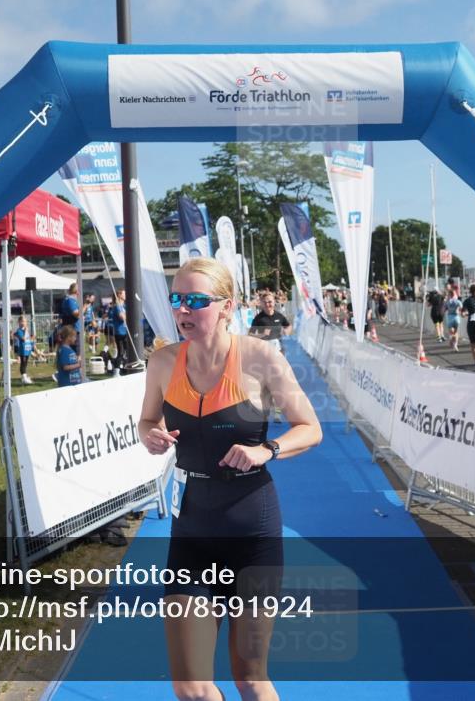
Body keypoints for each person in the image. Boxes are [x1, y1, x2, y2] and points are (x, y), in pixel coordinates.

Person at [139, 257, 322, 701]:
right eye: (177, 299)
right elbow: (146, 420)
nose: (183, 310)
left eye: (196, 300)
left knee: (250, 679)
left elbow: (310, 428)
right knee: (192, 689)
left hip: (251, 531)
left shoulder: (261, 358)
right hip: (192, 532)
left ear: (226, 307)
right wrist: (152, 436)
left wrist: (267, 449)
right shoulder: (163, 362)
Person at [108, 288, 130, 370]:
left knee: (127, 351)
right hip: (120, 332)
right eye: (124, 294)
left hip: (125, 332)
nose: (126, 296)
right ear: (120, 295)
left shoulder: (124, 306)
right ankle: (116, 368)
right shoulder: (117, 306)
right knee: (121, 352)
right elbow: (122, 317)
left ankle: (123, 366)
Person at [12, 316, 35, 385]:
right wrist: (25, 331)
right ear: (19, 322)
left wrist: (32, 342)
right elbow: (23, 339)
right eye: (22, 321)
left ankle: (24, 376)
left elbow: (30, 339)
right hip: (22, 349)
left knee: (26, 363)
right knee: (23, 362)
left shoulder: (26, 330)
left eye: (25, 321)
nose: (23, 323)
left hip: (27, 348)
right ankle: (24, 377)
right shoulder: (19, 330)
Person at [444, 287, 462, 351]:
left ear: (449, 294)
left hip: (450, 317)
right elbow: (461, 308)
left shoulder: (447, 301)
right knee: (456, 332)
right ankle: (455, 345)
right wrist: (458, 310)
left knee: (451, 332)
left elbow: (444, 309)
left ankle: (451, 340)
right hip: (457, 317)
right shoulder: (458, 301)